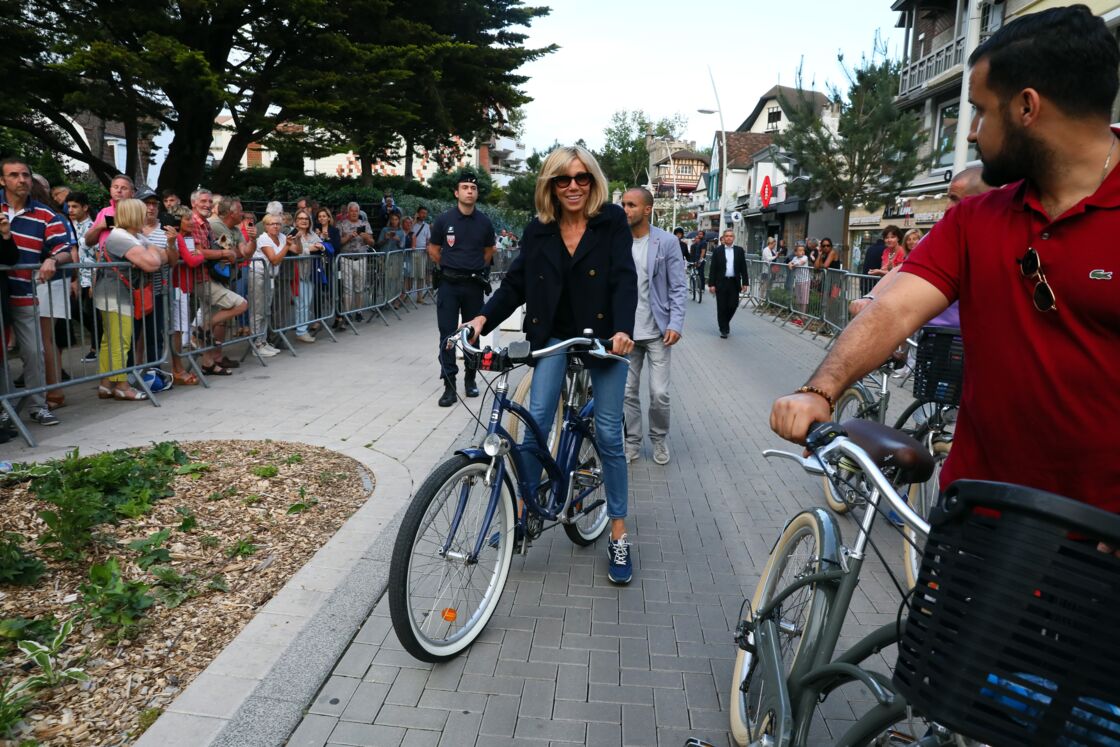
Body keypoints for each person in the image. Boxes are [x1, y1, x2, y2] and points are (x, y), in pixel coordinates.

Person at [771, 5, 1120, 515]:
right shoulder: (974, 219)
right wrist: (819, 390)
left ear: (1027, 107)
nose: (973, 132)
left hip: (1101, 543)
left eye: (980, 110)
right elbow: (894, 308)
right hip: (975, 518)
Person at [463, 144, 637, 583]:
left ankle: (618, 532)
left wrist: (622, 329)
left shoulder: (611, 221)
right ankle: (524, 512)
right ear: (550, 184)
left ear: (593, 182)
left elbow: (622, 277)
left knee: (610, 434)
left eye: (582, 178)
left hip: (602, 336)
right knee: (536, 419)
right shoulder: (539, 229)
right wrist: (483, 317)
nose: (573, 186)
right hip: (556, 334)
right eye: (563, 179)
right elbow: (517, 282)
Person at [0, 157, 71, 426]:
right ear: (2, 180)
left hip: (24, 292)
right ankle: (5, 407)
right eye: (14, 175)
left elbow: (63, 249)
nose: (21, 180)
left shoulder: (45, 214)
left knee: (34, 351)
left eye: (25, 175)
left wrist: (53, 259)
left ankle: (38, 405)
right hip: (0, 294)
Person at [620, 188, 686, 466]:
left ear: (647, 209)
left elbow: (678, 286)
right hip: (626, 332)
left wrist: (676, 323)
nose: (625, 209)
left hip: (658, 331)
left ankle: (659, 438)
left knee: (659, 393)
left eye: (631, 205)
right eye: (623, 204)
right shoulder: (617, 241)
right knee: (626, 392)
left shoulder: (667, 242)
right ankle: (632, 442)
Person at [428, 171, 496, 406]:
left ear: (476, 193)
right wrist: (449, 266)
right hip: (448, 283)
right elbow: (434, 249)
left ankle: (470, 379)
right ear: (457, 192)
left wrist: (474, 268)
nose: (469, 191)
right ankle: (449, 385)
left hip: (473, 285)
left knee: (472, 334)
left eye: (473, 188)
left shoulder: (484, 222)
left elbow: (489, 252)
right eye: (465, 187)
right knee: (447, 336)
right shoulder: (444, 220)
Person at [94, 198, 167, 401]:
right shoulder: (121, 237)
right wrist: (151, 253)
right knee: (121, 340)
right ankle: (122, 385)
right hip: (115, 294)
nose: (147, 214)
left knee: (110, 340)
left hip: (114, 292)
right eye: (143, 211)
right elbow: (154, 263)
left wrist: (149, 254)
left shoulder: (132, 236)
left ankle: (106, 384)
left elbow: (164, 257)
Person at [190, 189, 247, 376]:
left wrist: (227, 252)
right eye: (203, 201)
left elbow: (234, 250)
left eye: (209, 201)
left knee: (211, 319)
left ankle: (207, 362)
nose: (207, 205)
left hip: (211, 277)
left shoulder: (206, 223)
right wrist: (224, 253)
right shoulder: (194, 222)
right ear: (193, 204)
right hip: (201, 278)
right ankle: (200, 329)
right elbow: (199, 252)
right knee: (241, 304)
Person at [66, 191, 98, 362]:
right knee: (75, 310)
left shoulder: (92, 227)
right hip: (76, 277)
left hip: (90, 277)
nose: (70, 210)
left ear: (85, 208)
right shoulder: (69, 225)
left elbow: (97, 255)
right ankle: (97, 339)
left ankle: (95, 346)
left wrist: (94, 282)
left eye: (75, 206)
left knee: (92, 312)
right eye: (69, 206)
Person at [287, 209, 325, 343]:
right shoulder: (291, 234)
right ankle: (301, 331)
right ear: (296, 221)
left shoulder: (312, 234)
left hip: (310, 273)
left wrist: (313, 247)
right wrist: (311, 248)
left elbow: (321, 245)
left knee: (306, 303)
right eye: (301, 218)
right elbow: (299, 252)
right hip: (296, 274)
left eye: (306, 219)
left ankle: (301, 329)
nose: (304, 221)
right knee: (301, 304)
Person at [707, 228, 748, 338]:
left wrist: (745, 282)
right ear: (723, 238)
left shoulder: (739, 250)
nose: (729, 238)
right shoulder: (717, 251)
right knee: (721, 307)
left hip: (734, 283)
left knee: (733, 305)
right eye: (727, 236)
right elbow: (713, 268)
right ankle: (723, 329)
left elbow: (743, 268)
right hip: (721, 282)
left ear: (733, 238)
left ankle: (725, 322)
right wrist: (711, 284)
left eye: (731, 236)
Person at [336, 202, 373, 321]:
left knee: (360, 287)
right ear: (348, 212)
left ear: (359, 212)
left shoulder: (365, 223)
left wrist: (366, 237)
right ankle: (347, 313)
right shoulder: (341, 224)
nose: (354, 213)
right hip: (346, 259)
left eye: (356, 211)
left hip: (361, 259)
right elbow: (338, 242)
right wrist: (349, 237)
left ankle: (359, 312)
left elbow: (372, 242)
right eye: (351, 211)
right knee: (347, 288)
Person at [789, 242, 811, 325]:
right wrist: (790, 264)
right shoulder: (795, 257)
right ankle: (799, 315)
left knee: (804, 299)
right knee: (798, 299)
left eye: (803, 250)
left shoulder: (805, 257)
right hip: (798, 280)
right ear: (795, 252)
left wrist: (792, 265)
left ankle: (803, 315)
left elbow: (800, 263)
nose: (802, 252)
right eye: (800, 250)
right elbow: (790, 263)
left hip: (805, 280)